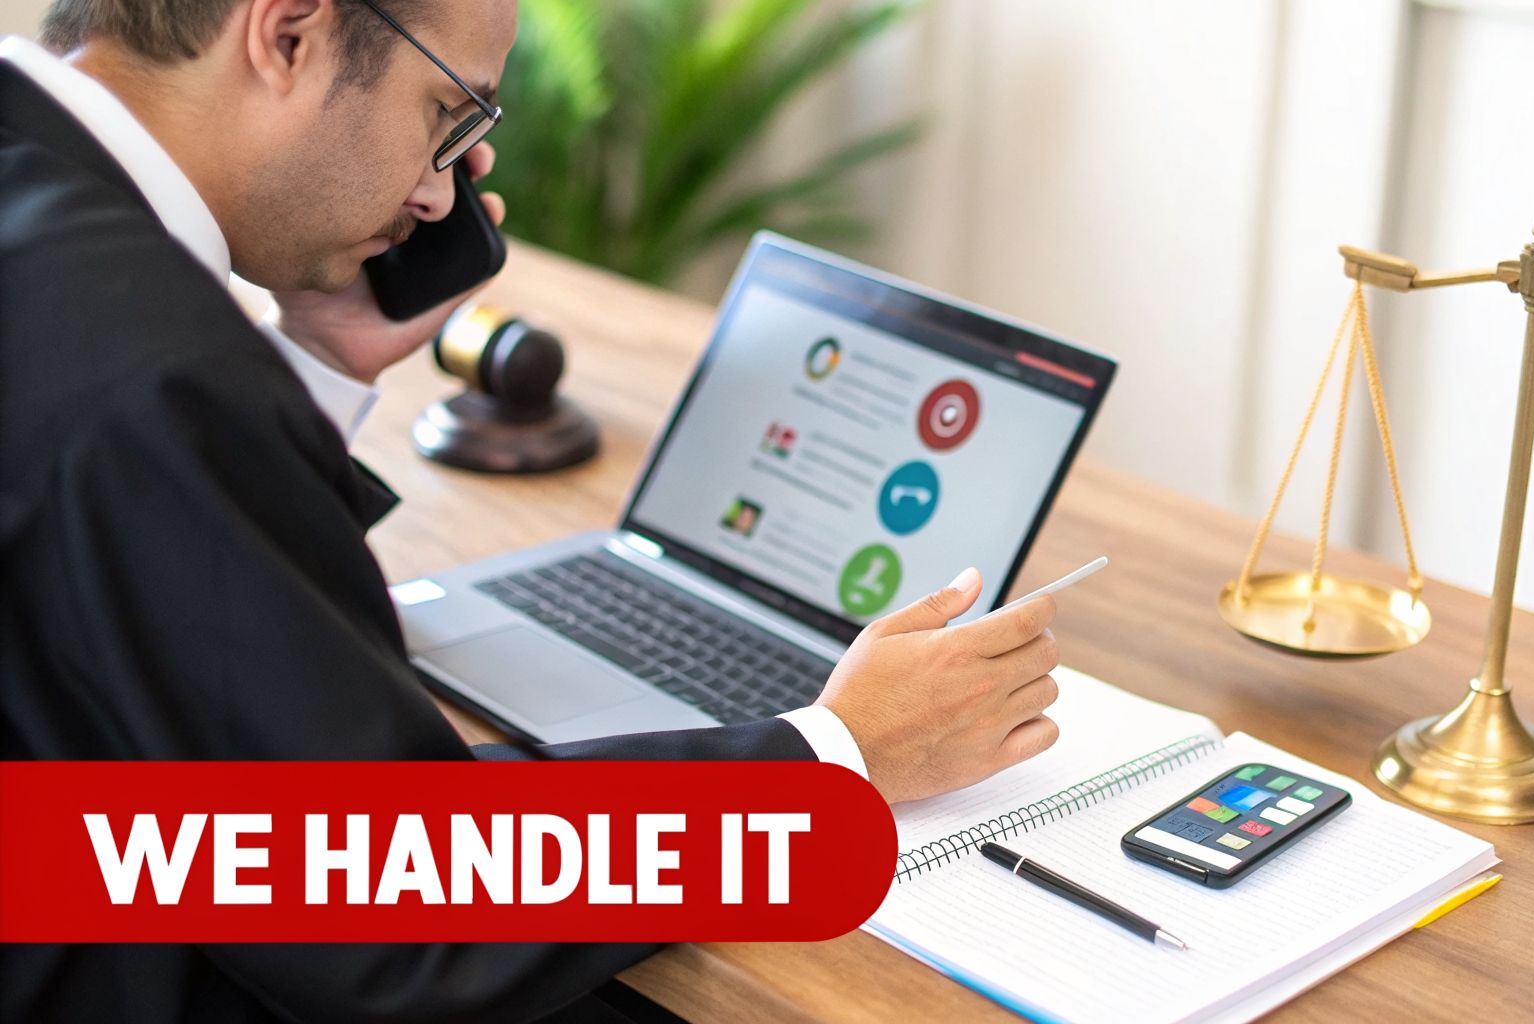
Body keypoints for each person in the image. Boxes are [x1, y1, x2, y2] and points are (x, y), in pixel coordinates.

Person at [0, 1, 1063, 1020]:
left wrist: (315, 362)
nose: (433, 195)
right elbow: (389, 907)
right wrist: (836, 755)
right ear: (286, 34)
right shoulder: (154, 371)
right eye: (444, 112)